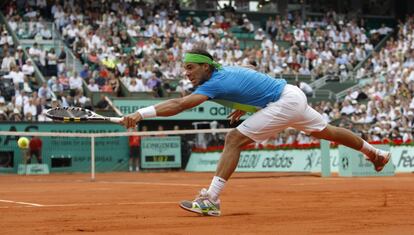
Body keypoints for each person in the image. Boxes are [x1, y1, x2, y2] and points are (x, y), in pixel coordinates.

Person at [121, 48, 391, 217]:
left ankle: (211, 200)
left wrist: (140, 114)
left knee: (233, 138)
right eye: (185, 69)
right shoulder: (222, 71)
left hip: (284, 101)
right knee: (327, 131)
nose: (187, 73)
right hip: (290, 95)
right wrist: (245, 105)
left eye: (191, 67)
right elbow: (249, 76)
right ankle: (376, 154)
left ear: (205, 66)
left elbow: (179, 105)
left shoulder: (215, 82)